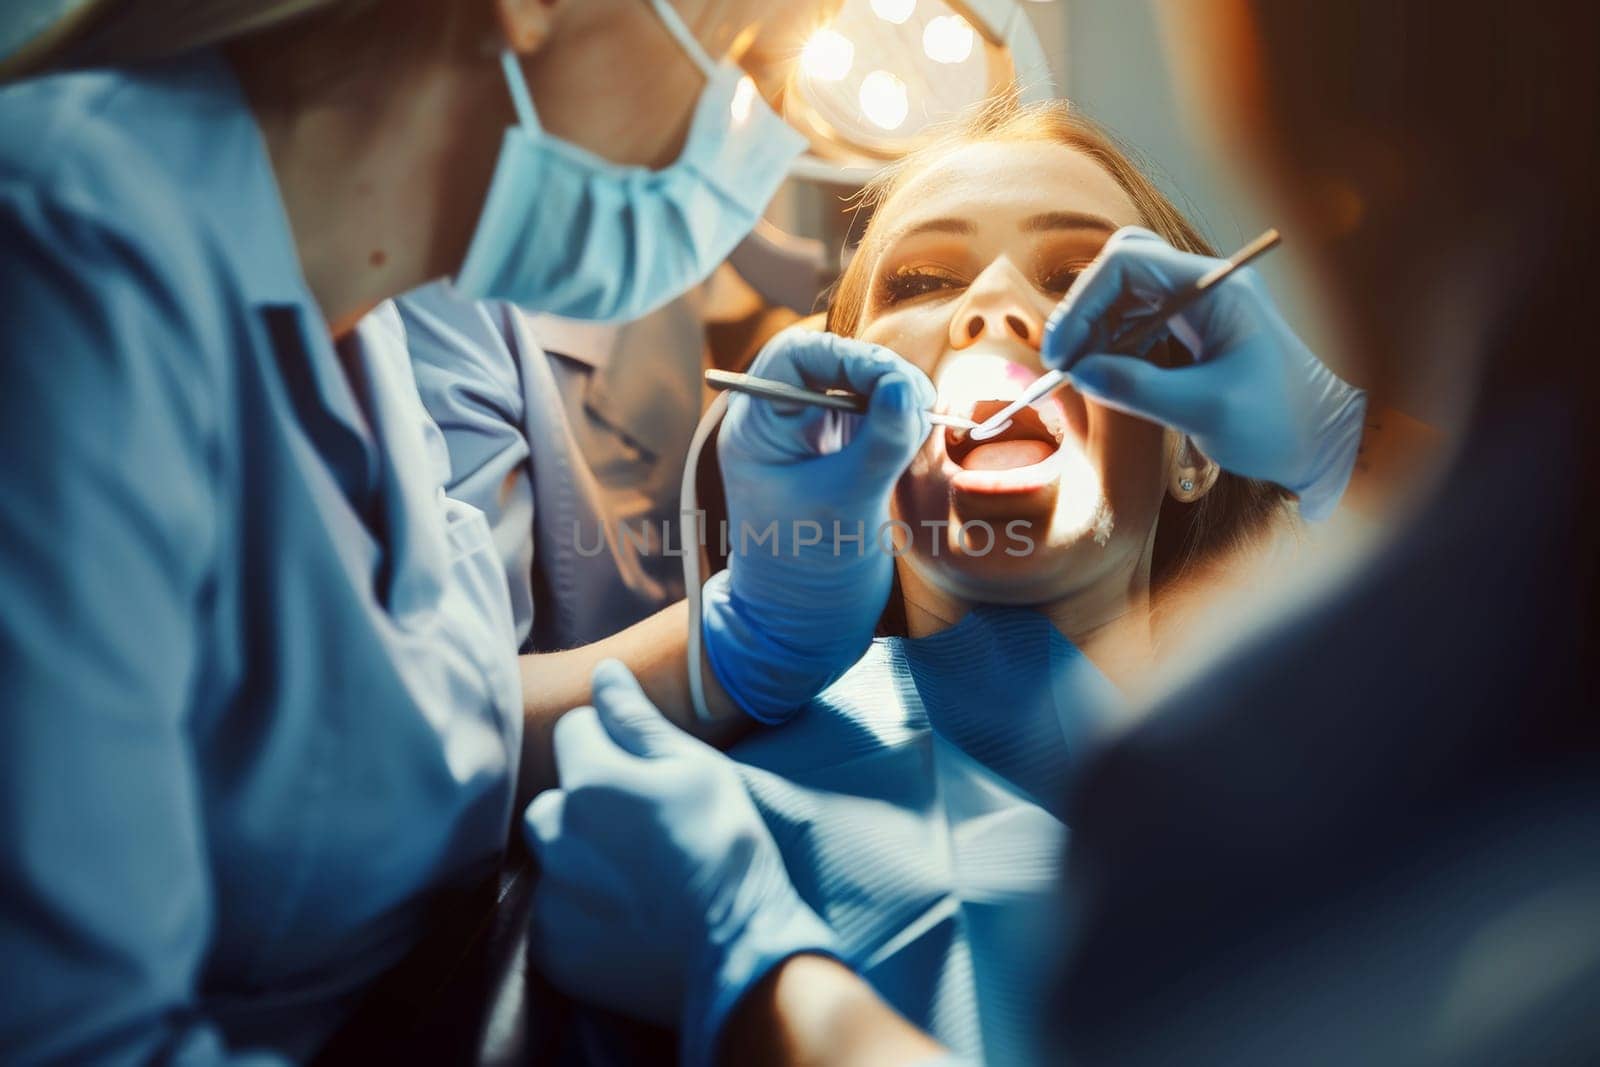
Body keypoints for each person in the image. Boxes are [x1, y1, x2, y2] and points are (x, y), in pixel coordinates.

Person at [519, 1, 1600, 1065]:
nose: (993, 305)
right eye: (923, 280)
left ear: (1195, 440)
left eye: (1078, 277)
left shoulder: (1396, 765)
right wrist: (737, 647)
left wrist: (1334, 433)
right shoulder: (694, 826)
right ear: (832, 428)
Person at [0, 1, 923, 1063]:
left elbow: (412, 735)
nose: (748, 143)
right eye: (744, 60)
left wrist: (739, 642)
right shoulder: (67, 263)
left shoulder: (377, 323)